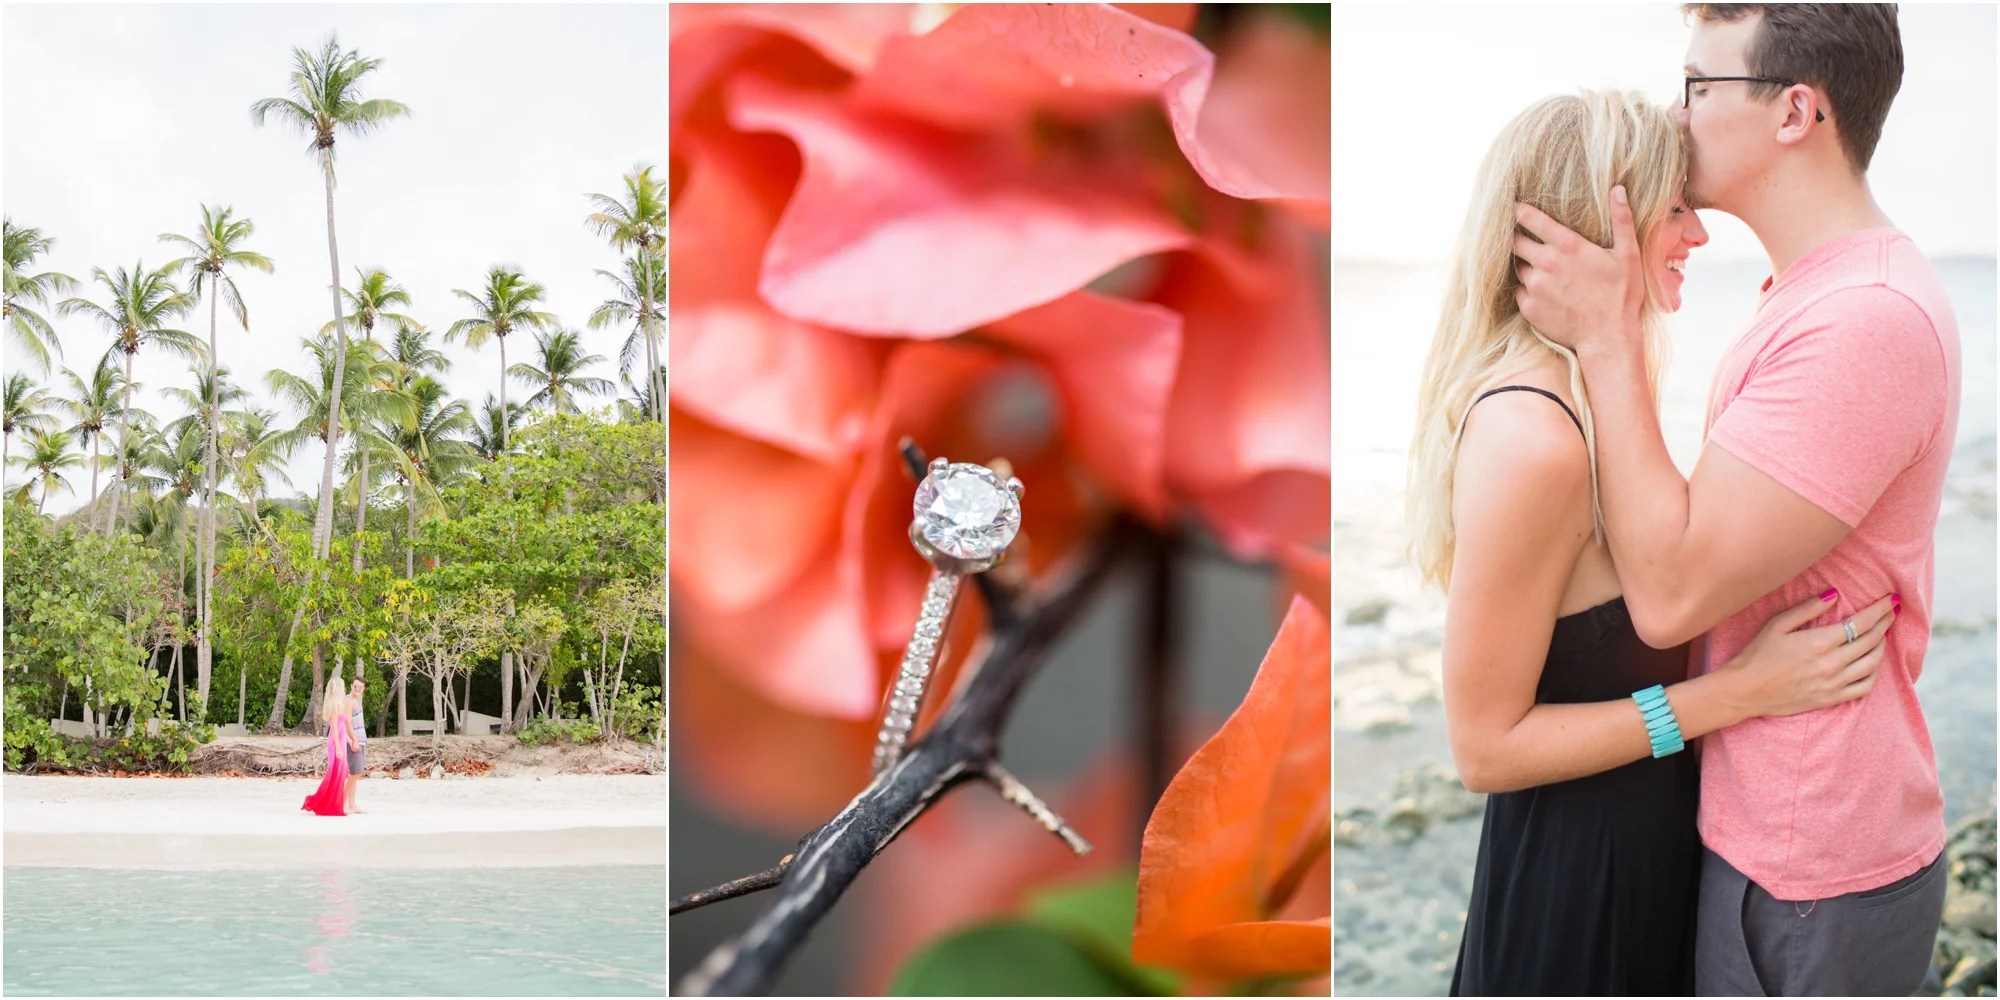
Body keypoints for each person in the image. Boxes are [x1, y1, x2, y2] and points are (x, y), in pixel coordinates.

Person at [1410, 88, 1900, 996]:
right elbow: (1484, 748)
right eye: (1676, 209)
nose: (1700, 236)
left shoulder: (1591, 402)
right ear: (1604, 226)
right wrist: (1736, 694)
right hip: (1578, 896)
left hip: (1639, 863)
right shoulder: (1535, 438)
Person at [1509, 5, 1958, 995]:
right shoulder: (1811, 293)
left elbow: (1668, 594)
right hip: (1773, 835)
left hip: (1808, 866)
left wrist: (1602, 338)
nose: (1674, 116)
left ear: (1794, 110)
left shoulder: (1861, 323)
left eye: (1696, 87)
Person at [300, 675, 357, 817]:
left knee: (341, 773)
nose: (344, 689)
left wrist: (349, 741)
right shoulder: (333, 705)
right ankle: (327, 804)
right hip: (335, 742)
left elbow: (342, 726)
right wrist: (338, 747)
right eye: (342, 686)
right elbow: (335, 729)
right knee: (336, 773)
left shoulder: (340, 704)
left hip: (342, 741)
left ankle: (332, 804)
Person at [345, 677, 368, 815]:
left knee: (354, 774)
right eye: (355, 686)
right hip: (354, 742)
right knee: (356, 772)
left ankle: (352, 804)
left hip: (360, 740)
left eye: (360, 687)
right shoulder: (347, 700)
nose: (357, 689)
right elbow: (346, 722)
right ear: (351, 685)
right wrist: (352, 740)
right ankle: (341, 803)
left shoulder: (357, 701)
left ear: (363, 688)